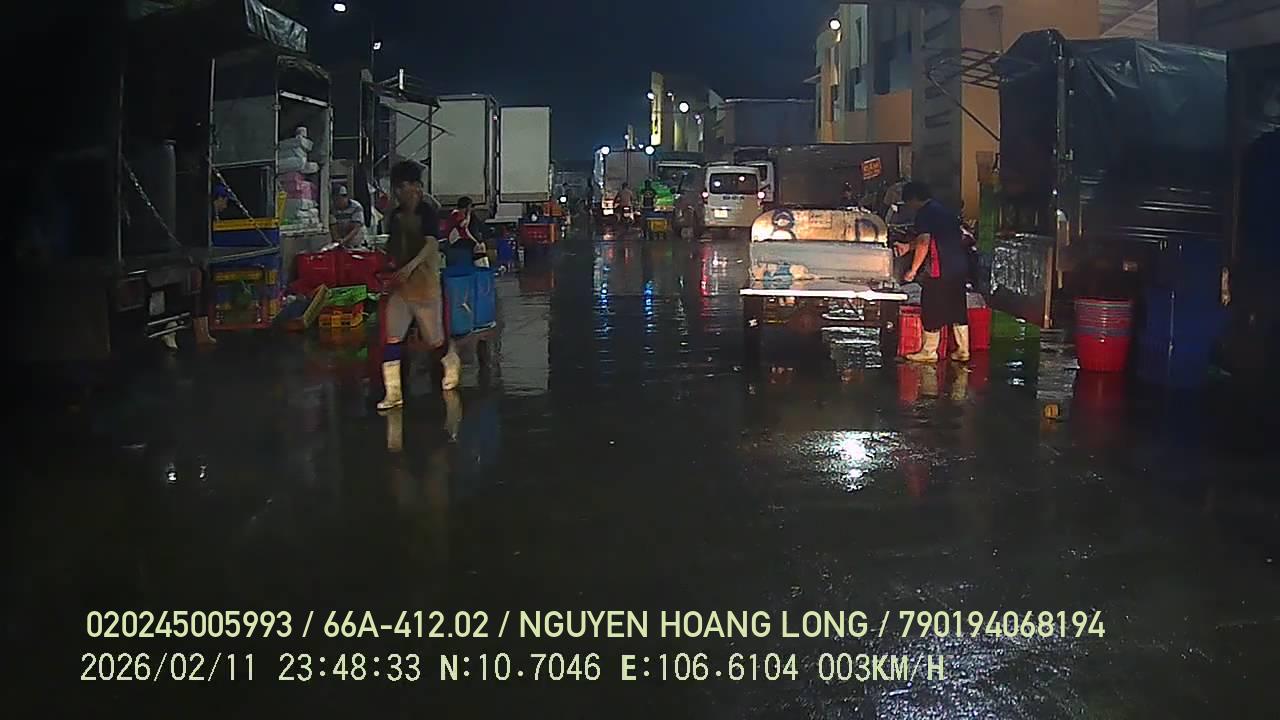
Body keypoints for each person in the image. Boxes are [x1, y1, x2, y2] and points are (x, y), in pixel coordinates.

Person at [378, 160, 461, 410]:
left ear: (415, 187)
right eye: (396, 187)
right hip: (401, 287)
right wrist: (388, 266)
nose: (398, 192)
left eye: (402, 186)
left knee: (434, 340)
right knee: (392, 337)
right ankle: (393, 394)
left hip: (425, 285)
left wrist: (410, 267)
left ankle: (451, 359)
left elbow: (431, 244)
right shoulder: (395, 216)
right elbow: (392, 247)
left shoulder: (427, 213)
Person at [897, 181, 970, 363]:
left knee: (931, 307)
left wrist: (913, 270)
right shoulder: (943, 211)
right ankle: (963, 350)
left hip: (939, 268)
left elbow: (924, 242)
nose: (909, 207)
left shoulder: (925, 214)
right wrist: (908, 247)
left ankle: (929, 352)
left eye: (908, 203)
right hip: (959, 267)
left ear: (913, 199)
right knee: (957, 307)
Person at [442, 196, 489, 268]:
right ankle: (482, 267)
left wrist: (478, 241)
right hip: (456, 240)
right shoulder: (457, 215)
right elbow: (465, 229)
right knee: (478, 247)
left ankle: (483, 266)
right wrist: (476, 242)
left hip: (460, 239)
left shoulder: (465, 215)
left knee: (480, 245)